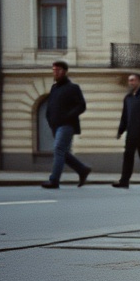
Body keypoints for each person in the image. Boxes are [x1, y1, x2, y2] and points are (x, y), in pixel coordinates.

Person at [40, 60, 91, 189]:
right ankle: (82, 170)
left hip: (67, 125)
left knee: (58, 149)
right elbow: (50, 106)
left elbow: (82, 106)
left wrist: (68, 116)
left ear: (64, 71)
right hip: (55, 126)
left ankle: (54, 180)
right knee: (62, 152)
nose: (55, 72)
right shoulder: (54, 88)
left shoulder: (73, 88)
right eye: (54, 70)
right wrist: (49, 119)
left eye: (58, 70)